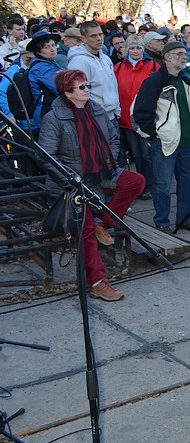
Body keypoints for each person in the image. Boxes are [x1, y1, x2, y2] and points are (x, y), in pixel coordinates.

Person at [39, 69, 145, 301]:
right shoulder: (54, 118)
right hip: (71, 183)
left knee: (135, 181)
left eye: (88, 85)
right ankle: (97, 282)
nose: (87, 90)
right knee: (84, 230)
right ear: (67, 92)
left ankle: (103, 222)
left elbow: (114, 138)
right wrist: (71, 180)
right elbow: (46, 156)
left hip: (101, 172)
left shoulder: (96, 110)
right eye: (81, 87)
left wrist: (109, 160)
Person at [132, 42, 190, 233]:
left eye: (185, 54)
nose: (184, 57)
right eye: (179, 54)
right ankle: (162, 222)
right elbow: (140, 113)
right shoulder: (154, 81)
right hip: (165, 143)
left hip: (187, 143)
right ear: (167, 57)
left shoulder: (185, 80)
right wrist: (155, 134)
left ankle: (185, 219)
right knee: (162, 185)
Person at [113, 35, 159, 196]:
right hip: (126, 119)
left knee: (147, 155)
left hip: (145, 118)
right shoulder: (118, 67)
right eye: (132, 48)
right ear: (126, 50)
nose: (135, 51)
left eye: (138, 48)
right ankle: (141, 186)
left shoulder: (153, 66)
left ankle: (152, 185)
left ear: (143, 49)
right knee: (137, 155)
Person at [68, 21, 119, 125]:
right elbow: (78, 94)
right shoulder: (79, 62)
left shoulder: (105, 59)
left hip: (112, 116)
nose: (99, 38)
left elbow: (113, 85)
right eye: (93, 36)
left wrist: (117, 109)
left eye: (100, 34)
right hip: (94, 118)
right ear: (83, 39)